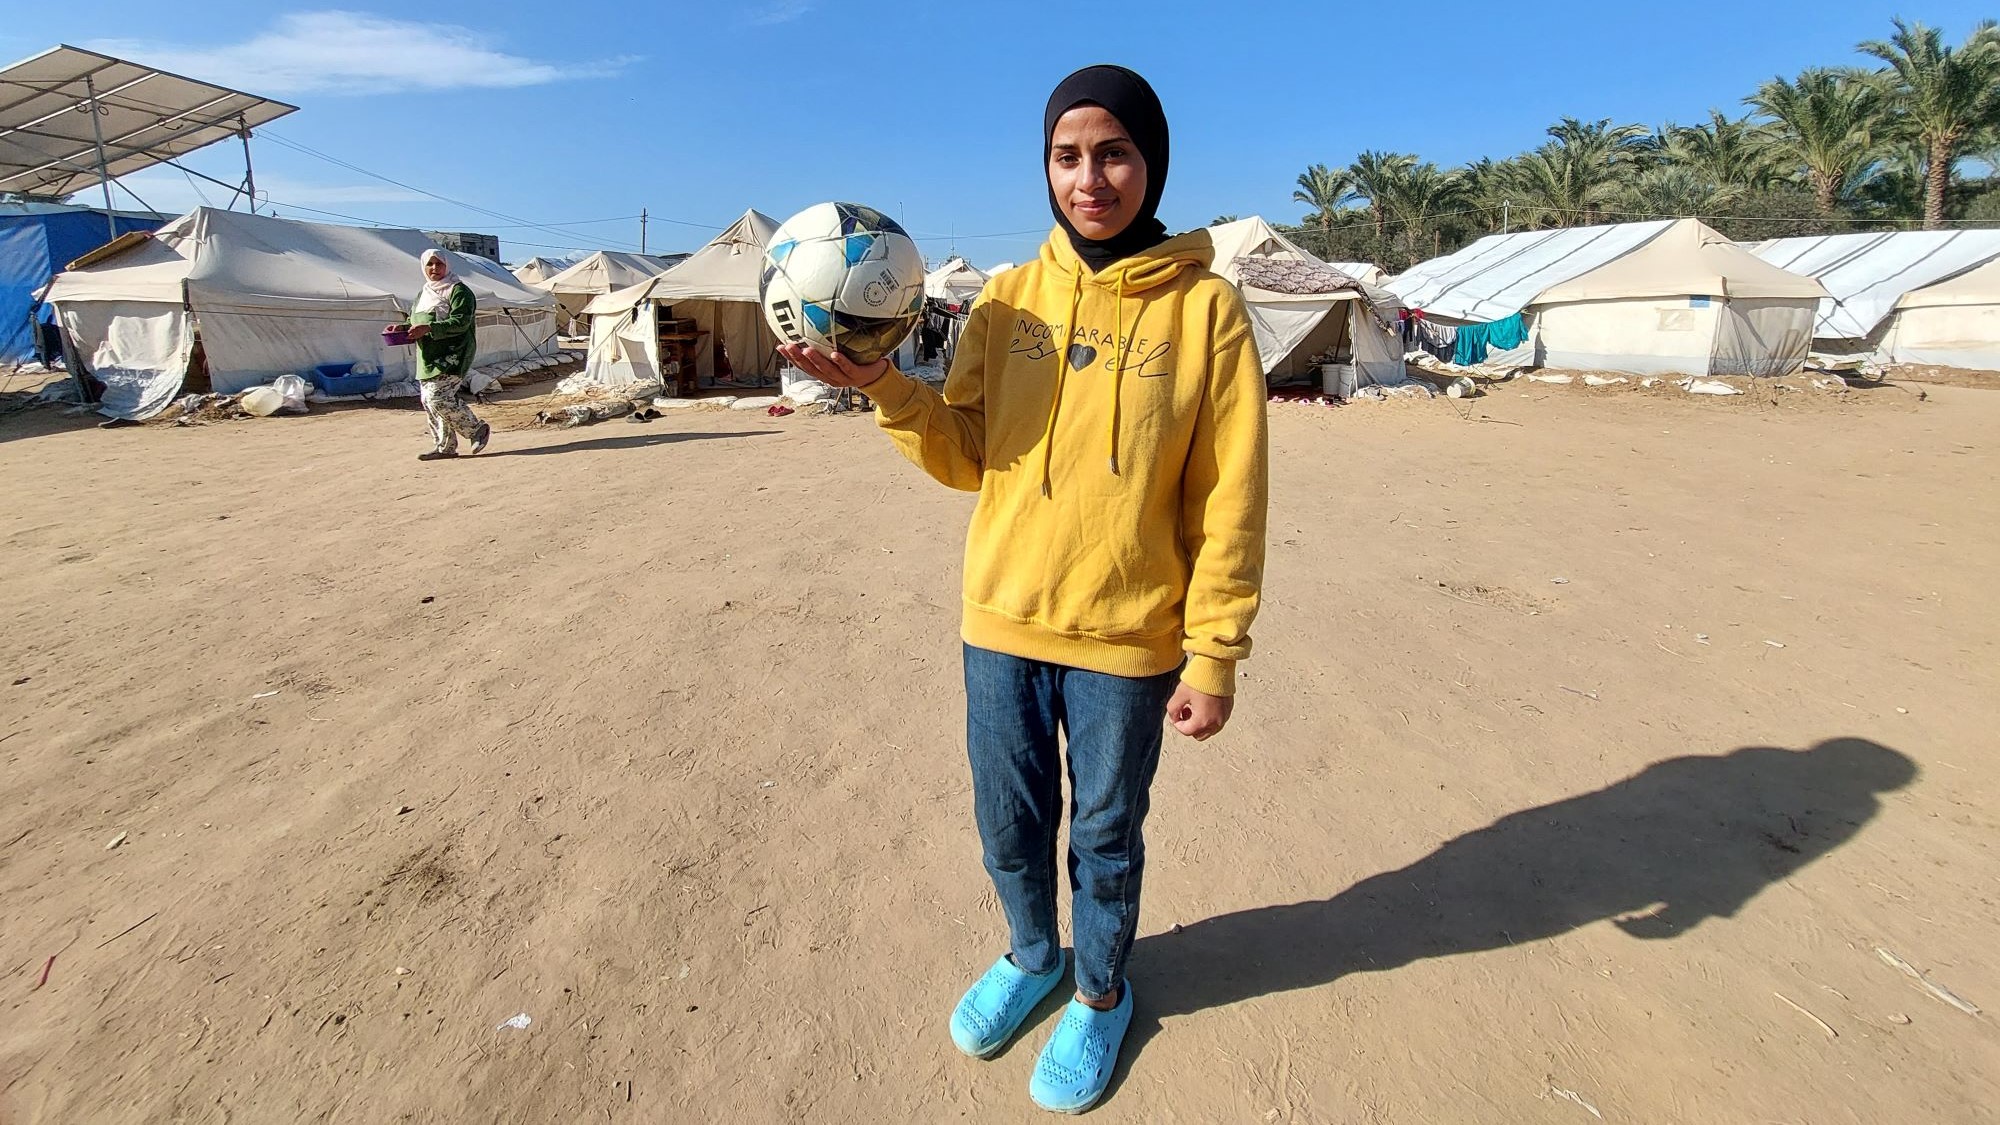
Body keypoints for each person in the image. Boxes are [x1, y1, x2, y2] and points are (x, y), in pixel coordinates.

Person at [781, 64, 1268, 1113]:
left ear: (1151, 162)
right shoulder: (1005, 302)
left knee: (1101, 831)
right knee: (1006, 820)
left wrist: (1215, 652)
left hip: (1127, 642)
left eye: (1112, 153)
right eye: (1065, 155)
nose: (1088, 178)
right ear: (1043, 167)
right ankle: (1030, 954)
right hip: (999, 622)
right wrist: (883, 388)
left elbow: (1229, 498)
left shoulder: (1206, 313)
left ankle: (1098, 995)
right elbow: (967, 454)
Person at [394, 248, 490, 461]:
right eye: (430, 264)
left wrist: (428, 329)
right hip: (428, 356)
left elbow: (461, 322)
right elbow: (414, 322)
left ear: (448, 266)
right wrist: (401, 329)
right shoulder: (424, 294)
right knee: (429, 402)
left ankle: (476, 430)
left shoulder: (458, 291)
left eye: (439, 264)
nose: (434, 268)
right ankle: (445, 447)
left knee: (437, 398)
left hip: (453, 354)